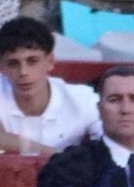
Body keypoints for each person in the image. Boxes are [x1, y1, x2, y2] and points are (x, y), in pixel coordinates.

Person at [0, 18, 101, 156]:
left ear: (50, 61)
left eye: (32, 61)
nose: (23, 72)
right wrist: (58, 156)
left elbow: (113, 142)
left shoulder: (82, 99)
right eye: (13, 63)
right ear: (1, 67)